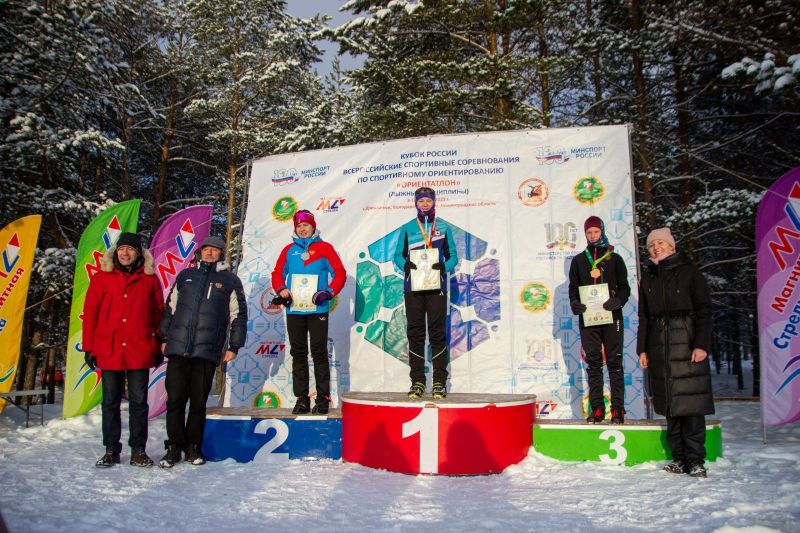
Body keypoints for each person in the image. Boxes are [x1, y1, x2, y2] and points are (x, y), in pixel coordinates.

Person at [158, 235, 247, 467]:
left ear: (221, 254)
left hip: (207, 350)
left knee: (198, 403)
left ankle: (193, 447)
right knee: (175, 401)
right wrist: (164, 337)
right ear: (199, 253)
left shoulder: (230, 280)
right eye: (206, 249)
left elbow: (239, 316)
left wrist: (234, 345)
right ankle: (174, 447)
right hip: (178, 348)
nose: (209, 253)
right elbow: (170, 308)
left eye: (214, 250)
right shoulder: (186, 276)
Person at [82, 232, 164, 467]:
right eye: (121, 249)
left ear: (138, 254)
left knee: (139, 402)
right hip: (109, 348)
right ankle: (111, 450)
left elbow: (159, 313)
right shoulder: (102, 278)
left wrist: (157, 345)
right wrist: (89, 347)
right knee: (110, 402)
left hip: (140, 347)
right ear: (115, 252)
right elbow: (91, 312)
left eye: (130, 249)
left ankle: (138, 450)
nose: (125, 253)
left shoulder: (150, 280)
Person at [637, 227, 714, 478]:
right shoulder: (648, 277)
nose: (656, 248)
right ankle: (679, 458)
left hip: (687, 345)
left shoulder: (690, 272)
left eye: (660, 243)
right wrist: (642, 349)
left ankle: (695, 460)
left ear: (671, 246)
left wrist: (701, 344)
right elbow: (644, 317)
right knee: (670, 406)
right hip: (659, 347)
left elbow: (704, 310)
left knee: (690, 405)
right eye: (651, 245)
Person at [271, 210, 346, 415]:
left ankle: (323, 398)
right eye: (299, 226)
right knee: (298, 353)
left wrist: (328, 292)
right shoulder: (289, 250)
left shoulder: (325, 248)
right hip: (295, 309)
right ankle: (302, 398)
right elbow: (278, 273)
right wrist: (281, 289)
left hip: (317, 308)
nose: (302, 229)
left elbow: (339, 273)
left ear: (313, 226)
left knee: (319, 352)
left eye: (306, 225)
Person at [393, 187, 458, 399]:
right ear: (415, 203)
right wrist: (405, 265)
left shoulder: (444, 227)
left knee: (437, 333)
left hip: (436, 287)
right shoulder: (408, 228)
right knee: (416, 333)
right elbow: (397, 255)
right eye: (421, 201)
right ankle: (417, 381)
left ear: (434, 202)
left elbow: (453, 256)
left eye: (428, 201)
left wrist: (444, 267)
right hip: (413, 287)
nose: (424, 204)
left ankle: (439, 382)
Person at [568, 216, 630, 424]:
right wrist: (575, 304)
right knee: (593, 363)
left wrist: (618, 301)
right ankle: (597, 409)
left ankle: (618, 409)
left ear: (602, 231)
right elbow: (573, 288)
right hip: (589, 318)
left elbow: (625, 287)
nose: (593, 236)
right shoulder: (579, 261)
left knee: (614, 362)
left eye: (596, 231)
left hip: (612, 317)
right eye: (589, 232)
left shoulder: (615, 259)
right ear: (585, 234)